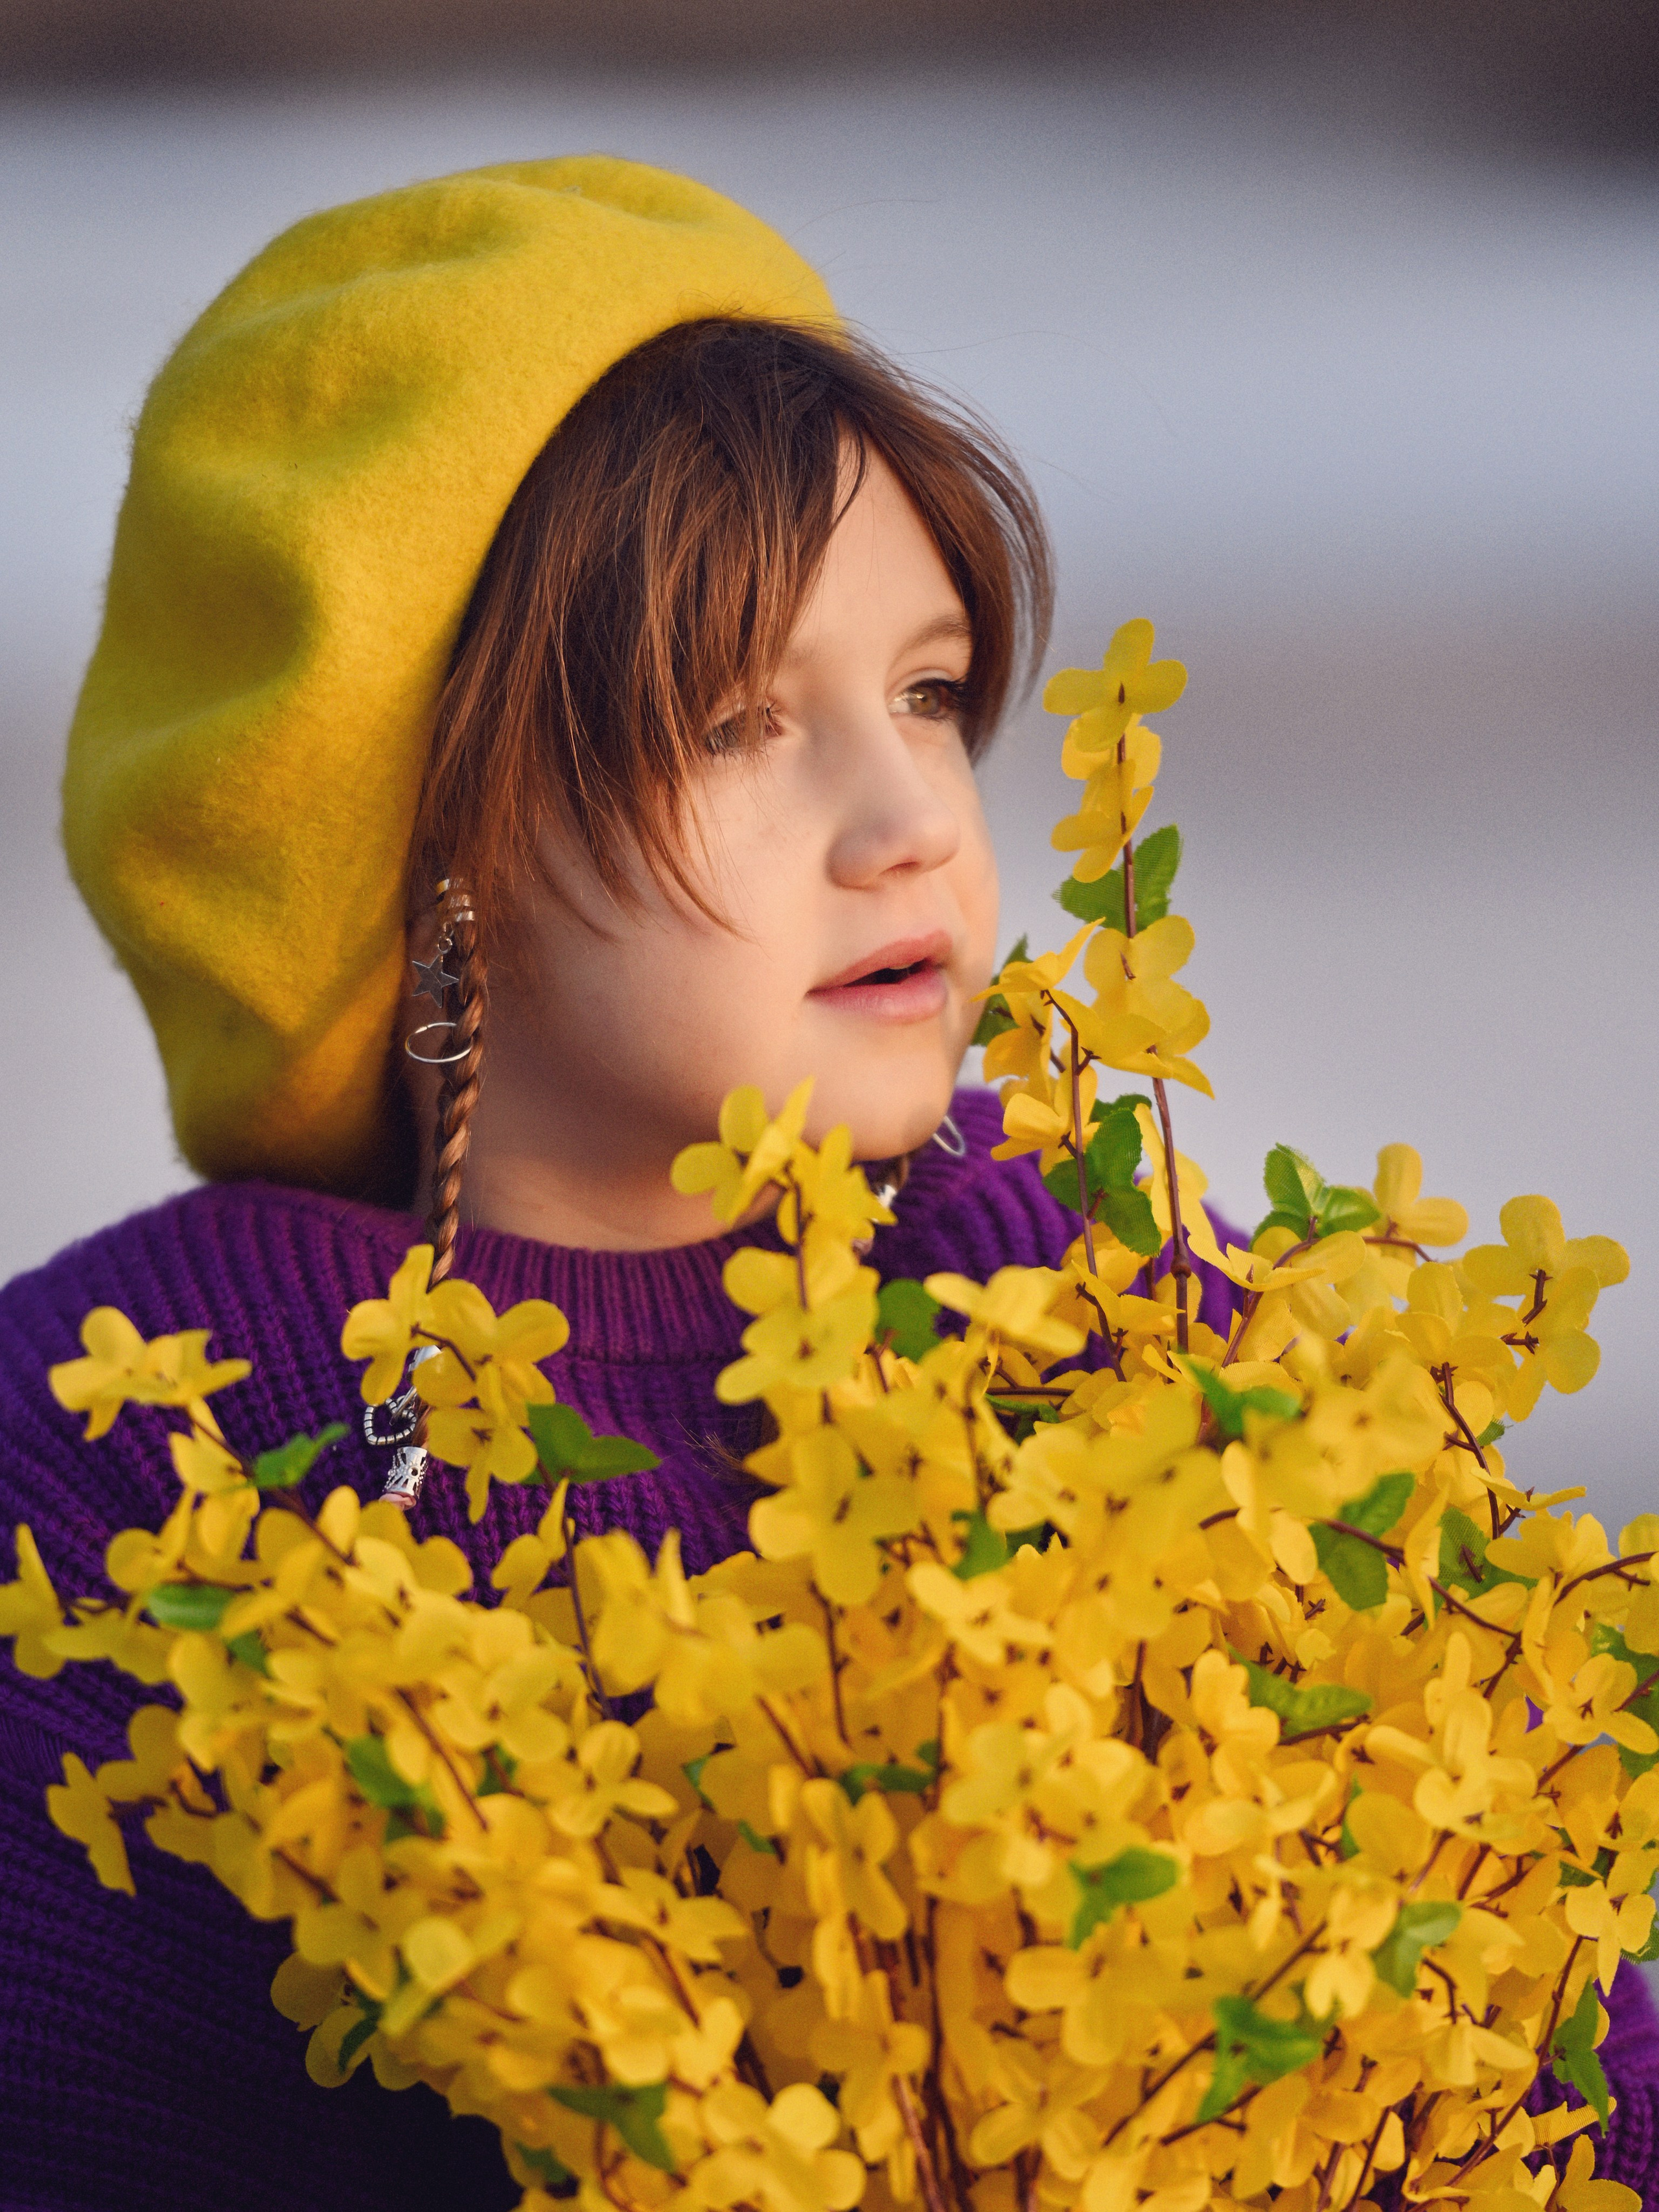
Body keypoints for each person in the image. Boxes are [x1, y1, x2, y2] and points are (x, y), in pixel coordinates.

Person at [0, 158, 1650, 2211]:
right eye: (734, 722)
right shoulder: (126, 1466)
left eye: (932, 691)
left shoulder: (1116, 1313)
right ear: (424, 850)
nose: (909, 822)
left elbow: (1558, 2087)